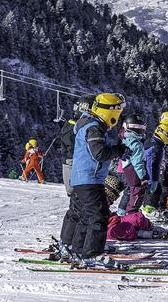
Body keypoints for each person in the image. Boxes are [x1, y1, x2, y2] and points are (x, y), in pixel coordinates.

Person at [68, 92, 127, 267]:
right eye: (117, 111)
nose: (118, 116)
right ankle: (92, 254)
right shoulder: (94, 128)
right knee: (100, 215)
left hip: (83, 177)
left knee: (87, 215)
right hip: (89, 178)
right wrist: (119, 151)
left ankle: (79, 251)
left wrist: (116, 147)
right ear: (109, 111)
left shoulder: (90, 125)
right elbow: (99, 153)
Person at [58, 95, 95, 254]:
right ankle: (69, 243)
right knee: (78, 206)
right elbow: (72, 146)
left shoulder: (75, 124)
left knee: (77, 206)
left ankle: (68, 242)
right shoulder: (75, 125)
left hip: (74, 165)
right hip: (73, 166)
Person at [117, 114, 149, 214]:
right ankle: (129, 213)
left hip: (122, 169)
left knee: (128, 191)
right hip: (132, 172)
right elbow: (138, 163)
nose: (140, 131)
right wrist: (143, 176)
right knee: (133, 191)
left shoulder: (125, 139)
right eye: (138, 128)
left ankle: (121, 211)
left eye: (142, 128)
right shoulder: (137, 144)